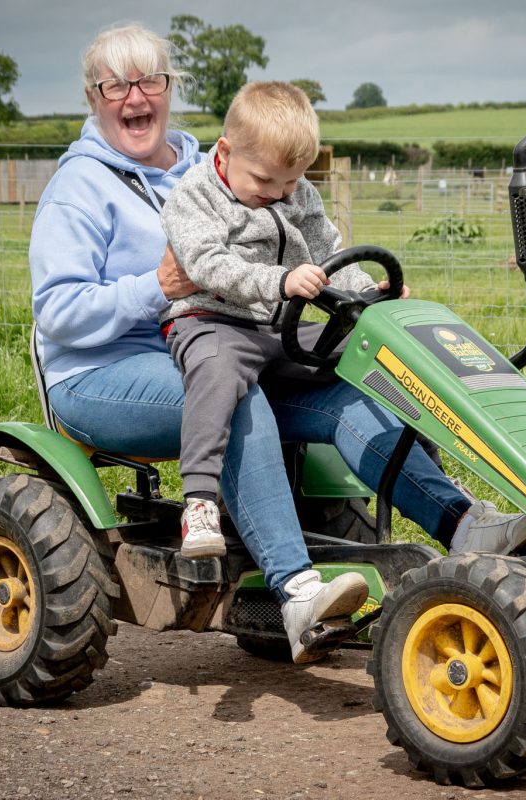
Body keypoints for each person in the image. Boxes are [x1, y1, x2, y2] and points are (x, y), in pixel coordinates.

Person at [28, 22, 526, 664]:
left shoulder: (223, 168)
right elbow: (56, 313)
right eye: (116, 85)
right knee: (238, 396)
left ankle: (461, 521)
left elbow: (309, 246)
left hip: (230, 345)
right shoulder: (79, 189)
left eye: (149, 81)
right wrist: (153, 287)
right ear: (92, 96)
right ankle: (296, 589)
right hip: (103, 374)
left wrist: (364, 293)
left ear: (168, 89)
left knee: (346, 393)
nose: (135, 98)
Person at [159, 81, 381, 562]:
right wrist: (278, 281)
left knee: (376, 348)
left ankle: (443, 490)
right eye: (264, 181)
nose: (278, 194)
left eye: (290, 183)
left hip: (282, 323)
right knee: (215, 369)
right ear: (225, 150)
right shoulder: (194, 196)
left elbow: (331, 253)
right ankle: (198, 501)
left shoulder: (299, 195)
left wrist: (370, 296)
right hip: (213, 318)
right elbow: (205, 264)